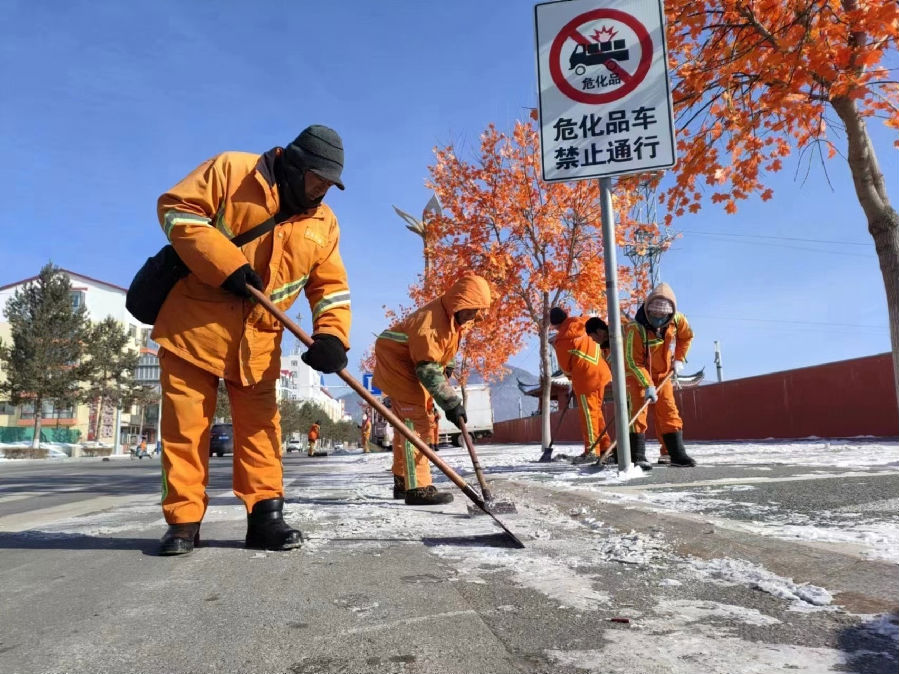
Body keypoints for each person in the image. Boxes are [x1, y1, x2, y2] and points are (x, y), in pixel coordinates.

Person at [152, 124, 351, 555]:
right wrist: (225, 263)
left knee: (262, 432)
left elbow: (330, 288)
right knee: (185, 431)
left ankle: (265, 518)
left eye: (329, 185)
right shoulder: (231, 171)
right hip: (194, 327)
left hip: (259, 343)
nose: (321, 192)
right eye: (316, 180)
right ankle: (183, 522)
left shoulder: (324, 223)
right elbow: (176, 210)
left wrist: (332, 335)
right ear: (295, 166)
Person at [373, 275, 492, 505]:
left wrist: (447, 368)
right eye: (470, 309)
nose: (473, 316)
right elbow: (427, 368)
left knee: (404, 425)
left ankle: (403, 482)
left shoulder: (453, 318)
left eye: (477, 310)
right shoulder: (432, 323)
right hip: (399, 365)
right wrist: (451, 403)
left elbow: (445, 349)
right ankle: (417, 488)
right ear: (459, 302)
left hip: (409, 361)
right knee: (417, 424)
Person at [623, 283, 696, 467]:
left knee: (669, 410)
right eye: (654, 314)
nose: (657, 319)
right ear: (648, 310)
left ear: (669, 314)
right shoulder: (635, 328)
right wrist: (647, 384)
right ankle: (637, 455)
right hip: (639, 375)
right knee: (638, 412)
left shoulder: (678, 320)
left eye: (662, 316)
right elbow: (632, 361)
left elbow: (686, 337)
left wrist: (679, 359)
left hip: (663, 374)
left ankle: (676, 454)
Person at [550, 307, 614, 465]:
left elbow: (565, 367)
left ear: (555, 325)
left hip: (585, 380)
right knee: (596, 412)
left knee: (588, 414)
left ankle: (592, 450)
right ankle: (605, 446)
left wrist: (572, 378)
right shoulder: (585, 321)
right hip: (601, 373)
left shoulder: (562, 339)